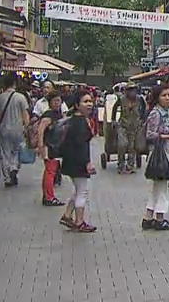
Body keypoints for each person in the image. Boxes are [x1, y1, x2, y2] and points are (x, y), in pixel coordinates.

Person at [143, 84, 169, 231]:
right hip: (159, 155)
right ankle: (159, 219)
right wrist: (168, 136)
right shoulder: (156, 114)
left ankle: (148, 217)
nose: (167, 98)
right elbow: (150, 134)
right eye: (164, 95)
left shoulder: (167, 113)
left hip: (166, 152)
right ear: (157, 98)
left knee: (157, 187)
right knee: (162, 188)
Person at [59, 91, 97, 232]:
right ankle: (79, 221)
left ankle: (68, 215)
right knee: (82, 191)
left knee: (77, 190)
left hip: (70, 161)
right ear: (76, 105)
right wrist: (87, 163)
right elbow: (82, 146)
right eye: (85, 102)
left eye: (90, 101)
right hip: (78, 162)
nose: (89, 104)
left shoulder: (72, 120)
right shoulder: (80, 123)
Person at [0, 79, 30, 188]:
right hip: (18, 129)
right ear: (14, 84)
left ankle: (7, 177)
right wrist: (27, 127)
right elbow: (25, 114)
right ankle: (14, 168)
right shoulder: (21, 97)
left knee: (5, 152)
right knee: (17, 150)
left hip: (4, 129)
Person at [34, 93, 66, 207]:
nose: (57, 103)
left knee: (50, 171)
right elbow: (40, 130)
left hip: (55, 146)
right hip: (50, 147)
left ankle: (47, 196)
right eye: (55, 101)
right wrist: (41, 146)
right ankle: (49, 197)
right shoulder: (49, 115)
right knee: (50, 172)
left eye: (59, 101)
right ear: (50, 102)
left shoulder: (58, 114)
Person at [116, 86, 146, 173]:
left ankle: (130, 165)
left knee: (132, 147)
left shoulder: (140, 99)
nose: (132, 92)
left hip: (135, 126)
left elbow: (144, 109)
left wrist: (142, 119)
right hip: (123, 125)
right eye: (130, 90)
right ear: (126, 91)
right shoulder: (121, 99)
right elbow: (115, 108)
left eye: (134, 90)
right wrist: (114, 120)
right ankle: (121, 164)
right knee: (122, 144)